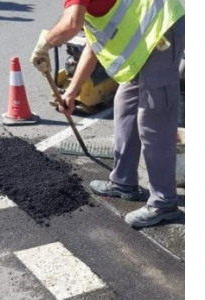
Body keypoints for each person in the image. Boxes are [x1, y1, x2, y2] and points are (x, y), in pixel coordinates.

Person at [30, 0, 185, 228]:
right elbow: (95, 46)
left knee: (153, 120)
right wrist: (71, 93)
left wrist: (44, 43)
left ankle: (164, 203)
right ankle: (124, 183)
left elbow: (71, 24)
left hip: (161, 32)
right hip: (143, 43)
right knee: (125, 105)